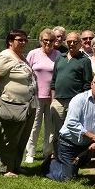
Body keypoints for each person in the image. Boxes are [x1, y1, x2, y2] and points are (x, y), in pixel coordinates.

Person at [0, 29, 37, 177]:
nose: (23, 42)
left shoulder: (20, 56)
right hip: (11, 105)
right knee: (9, 138)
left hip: (27, 105)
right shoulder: (5, 56)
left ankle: (15, 165)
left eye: (25, 40)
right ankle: (6, 169)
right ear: (10, 41)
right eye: (19, 40)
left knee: (21, 138)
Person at [46, 75, 95, 181]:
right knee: (68, 179)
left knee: (74, 170)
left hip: (86, 146)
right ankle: (50, 164)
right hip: (68, 144)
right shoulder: (79, 99)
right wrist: (94, 137)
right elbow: (71, 123)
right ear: (92, 84)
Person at [50, 32, 93, 155]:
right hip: (58, 100)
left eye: (75, 42)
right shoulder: (60, 58)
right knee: (56, 130)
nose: (72, 44)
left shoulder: (85, 61)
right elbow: (54, 80)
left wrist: (82, 102)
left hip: (74, 101)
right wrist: (53, 99)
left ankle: (70, 155)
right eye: (69, 42)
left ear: (80, 43)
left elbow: (87, 83)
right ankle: (56, 155)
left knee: (71, 130)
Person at [24, 28, 61, 163]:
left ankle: (47, 152)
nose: (48, 43)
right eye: (45, 40)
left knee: (50, 127)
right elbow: (26, 72)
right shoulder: (33, 54)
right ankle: (30, 153)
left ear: (54, 41)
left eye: (51, 40)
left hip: (52, 96)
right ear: (40, 41)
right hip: (36, 96)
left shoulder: (58, 55)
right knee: (34, 125)